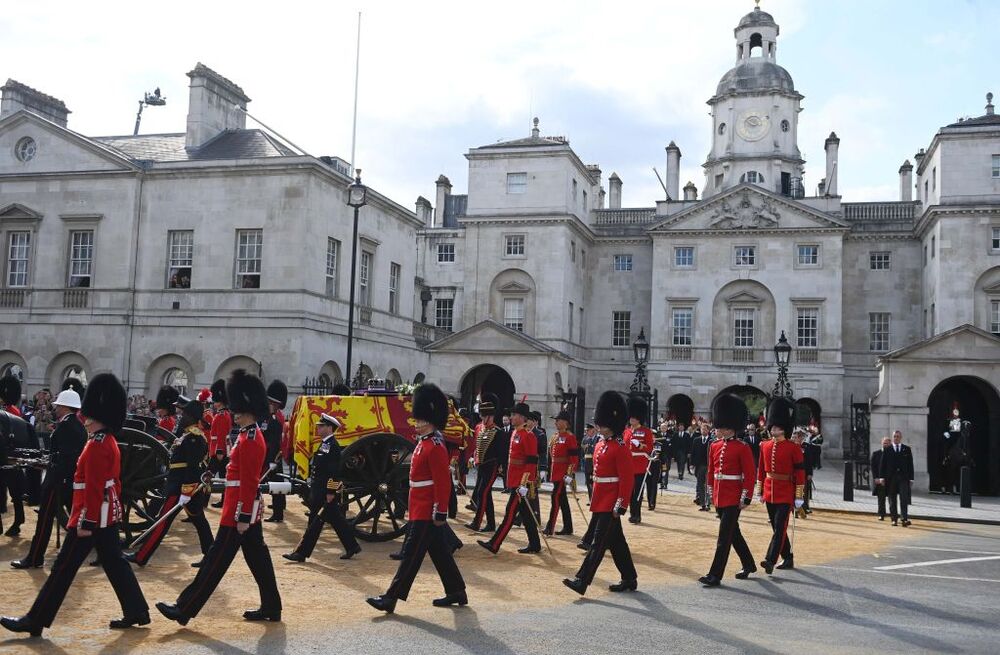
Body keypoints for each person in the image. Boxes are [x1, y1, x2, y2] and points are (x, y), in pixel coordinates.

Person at [2, 374, 149, 637]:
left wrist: (87, 521)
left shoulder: (96, 445)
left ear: (97, 416)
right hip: (103, 516)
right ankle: (137, 610)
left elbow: (92, 488)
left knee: (63, 568)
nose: (86, 420)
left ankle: (35, 620)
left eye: (89, 417)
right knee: (115, 562)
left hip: (90, 518)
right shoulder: (108, 441)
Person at [156, 369, 282, 625]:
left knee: (215, 561)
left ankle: (184, 608)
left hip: (238, 511)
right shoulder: (248, 435)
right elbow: (238, 476)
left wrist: (243, 515)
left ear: (245, 409)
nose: (233, 414)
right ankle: (271, 605)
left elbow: (248, 482)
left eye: (237, 409)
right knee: (258, 559)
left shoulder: (250, 438)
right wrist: (214, 477)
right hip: (241, 507)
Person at [367, 384, 467, 613]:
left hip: (427, 510)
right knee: (440, 553)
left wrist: (440, 510)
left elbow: (442, 483)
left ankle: (390, 598)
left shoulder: (436, 446)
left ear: (430, 421)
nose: (417, 423)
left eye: (421, 420)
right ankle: (456, 590)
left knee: (410, 555)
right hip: (418, 506)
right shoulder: (424, 443)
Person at [562, 391, 637, 596]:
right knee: (616, 542)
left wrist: (620, 504)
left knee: (597, 543)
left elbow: (627, 479)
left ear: (612, 424)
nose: (600, 427)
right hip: (600, 499)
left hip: (611, 502)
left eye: (603, 424)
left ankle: (581, 580)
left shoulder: (620, 448)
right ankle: (629, 577)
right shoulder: (600, 444)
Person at [128, 398, 214, 567]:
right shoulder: (189, 435)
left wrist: (186, 492)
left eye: (185, 415)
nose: (182, 417)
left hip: (181, 488)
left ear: (192, 417)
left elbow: (192, 468)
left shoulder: (195, 438)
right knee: (200, 523)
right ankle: (211, 557)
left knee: (162, 523)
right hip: (182, 486)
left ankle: (141, 556)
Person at [11, 389, 87, 569]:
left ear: (66, 407)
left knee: (44, 521)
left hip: (57, 482)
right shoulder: (75, 425)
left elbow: (65, 458)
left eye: (59, 405)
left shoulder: (67, 426)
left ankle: (35, 557)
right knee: (77, 520)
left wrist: (51, 467)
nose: (57, 408)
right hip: (65, 480)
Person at [284, 413, 361, 562]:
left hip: (325, 492)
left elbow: (334, 472)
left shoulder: (332, 446)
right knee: (334, 521)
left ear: (329, 428)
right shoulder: (325, 444)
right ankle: (352, 546)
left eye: (321, 426)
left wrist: (331, 491)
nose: (318, 428)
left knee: (315, 522)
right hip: (319, 490)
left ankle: (301, 553)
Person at [699, 393, 757, 587]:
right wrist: (709, 491)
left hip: (733, 497)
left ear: (730, 426)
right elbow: (711, 470)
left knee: (724, 537)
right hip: (719, 495)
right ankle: (749, 564)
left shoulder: (743, 448)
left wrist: (746, 497)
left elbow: (749, 475)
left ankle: (715, 574)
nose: (718, 428)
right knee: (734, 534)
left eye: (721, 425)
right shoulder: (715, 446)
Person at [477, 402, 541, 555]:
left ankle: (494, 543)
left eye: (514, 415)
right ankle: (535, 544)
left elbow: (531, 461)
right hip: (514, 478)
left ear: (522, 417)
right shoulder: (515, 433)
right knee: (526, 514)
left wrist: (525, 483)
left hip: (521, 482)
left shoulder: (528, 435)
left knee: (510, 513)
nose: (510, 417)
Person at [757, 397, 805, 574]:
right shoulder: (765, 445)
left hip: (786, 492)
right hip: (770, 492)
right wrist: (759, 490)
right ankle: (788, 557)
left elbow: (800, 473)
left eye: (776, 427)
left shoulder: (794, 448)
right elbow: (761, 469)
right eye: (772, 427)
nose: (773, 430)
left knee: (779, 528)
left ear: (784, 428)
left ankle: (770, 560)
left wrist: (799, 496)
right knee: (777, 528)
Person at [465, 394, 502, 532]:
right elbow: (476, 445)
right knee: (486, 494)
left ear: (491, 416)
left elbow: (501, 453)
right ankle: (491, 524)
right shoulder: (479, 428)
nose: (483, 419)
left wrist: (501, 468)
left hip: (491, 466)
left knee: (482, 493)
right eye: (481, 416)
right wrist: (473, 457)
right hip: (481, 465)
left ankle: (477, 522)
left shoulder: (497, 432)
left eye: (485, 416)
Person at [543, 410, 579, 536]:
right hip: (555, 472)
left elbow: (573, 458)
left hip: (562, 474)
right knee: (562, 500)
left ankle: (550, 527)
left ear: (566, 423)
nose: (556, 422)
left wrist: (569, 474)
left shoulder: (570, 437)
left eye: (558, 420)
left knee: (556, 499)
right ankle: (568, 527)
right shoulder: (555, 436)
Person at [0, 374, 26, 536]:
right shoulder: (12, 411)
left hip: (8, 454)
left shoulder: (12, 412)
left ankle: (17, 520)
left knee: (13, 491)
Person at [624, 396, 653, 524]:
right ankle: (632, 513)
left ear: (638, 418)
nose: (632, 419)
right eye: (631, 417)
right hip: (628, 465)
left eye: (634, 418)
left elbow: (649, 448)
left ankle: (637, 515)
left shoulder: (646, 431)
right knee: (629, 491)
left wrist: (640, 446)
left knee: (638, 491)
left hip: (640, 465)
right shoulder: (626, 432)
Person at [263, 380, 288, 523]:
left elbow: (275, 439)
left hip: (273, 455)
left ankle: (278, 514)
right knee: (277, 483)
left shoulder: (276, 417)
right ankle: (279, 508)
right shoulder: (271, 415)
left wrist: (272, 459)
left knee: (276, 484)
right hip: (268, 454)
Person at [879, 430, 913, 527]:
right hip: (891, 478)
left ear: (901, 437)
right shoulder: (887, 449)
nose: (896, 438)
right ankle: (894, 519)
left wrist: (911, 478)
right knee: (892, 499)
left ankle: (904, 518)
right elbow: (883, 464)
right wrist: (881, 477)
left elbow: (910, 465)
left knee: (904, 498)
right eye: (894, 436)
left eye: (898, 436)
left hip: (903, 478)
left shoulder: (906, 449)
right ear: (893, 437)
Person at [207, 379, 232, 508]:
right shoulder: (223, 414)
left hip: (218, 452)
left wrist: (220, 452)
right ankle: (224, 501)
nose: (213, 402)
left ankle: (201, 502)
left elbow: (222, 436)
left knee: (207, 477)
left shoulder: (222, 416)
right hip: (220, 451)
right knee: (223, 477)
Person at [690, 426, 712, 511]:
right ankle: (702, 504)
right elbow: (693, 452)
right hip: (699, 466)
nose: (704, 431)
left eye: (705, 429)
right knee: (700, 485)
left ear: (708, 431)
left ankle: (708, 504)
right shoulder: (696, 440)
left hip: (709, 466)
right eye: (702, 429)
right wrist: (692, 464)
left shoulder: (711, 441)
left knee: (707, 485)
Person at [871, 436, 891, 520]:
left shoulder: (893, 454)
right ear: (881, 443)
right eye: (884, 443)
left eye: (887, 443)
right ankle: (881, 514)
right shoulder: (876, 454)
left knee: (892, 499)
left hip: (890, 480)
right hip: (880, 479)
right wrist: (876, 478)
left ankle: (893, 515)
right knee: (881, 498)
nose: (885, 445)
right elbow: (873, 467)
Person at [580, 423, 597, 500]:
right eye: (586, 430)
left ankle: (595, 498)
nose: (586, 432)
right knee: (588, 482)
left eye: (588, 430)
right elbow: (583, 452)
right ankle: (591, 498)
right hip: (587, 463)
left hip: (594, 463)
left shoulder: (598, 439)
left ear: (593, 430)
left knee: (594, 482)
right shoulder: (585, 439)